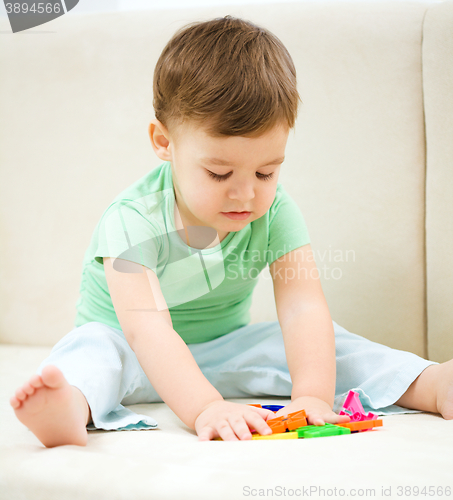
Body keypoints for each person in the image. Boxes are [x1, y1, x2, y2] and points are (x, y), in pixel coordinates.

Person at [9, 16, 453, 448]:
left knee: (323, 342)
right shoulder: (131, 220)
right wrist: (206, 407)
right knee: (88, 351)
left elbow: (302, 308)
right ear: (164, 143)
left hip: (223, 350)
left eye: (265, 172)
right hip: (129, 352)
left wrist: (312, 397)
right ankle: (69, 406)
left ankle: (431, 383)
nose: (246, 196)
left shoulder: (276, 212)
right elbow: (148, 331)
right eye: (219, 173)